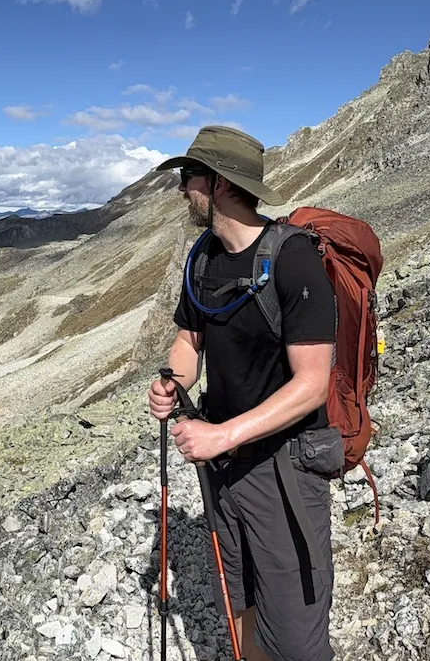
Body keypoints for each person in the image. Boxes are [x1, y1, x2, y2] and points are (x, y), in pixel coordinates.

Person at [147, 125, 338, 661]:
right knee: (239, 602)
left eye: (189, 177)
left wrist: (220, 434)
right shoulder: (203, 257)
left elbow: (312, 383)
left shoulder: (294, 260)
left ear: (223, 185)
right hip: (223, 467)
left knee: (298, 640)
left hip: (285, 470)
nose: (183, 189)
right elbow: (190, 339)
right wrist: (173, 381)